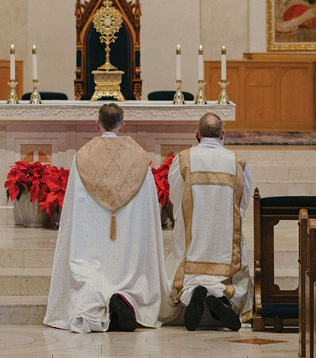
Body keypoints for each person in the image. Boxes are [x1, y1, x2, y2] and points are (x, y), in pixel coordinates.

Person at [44, 103, 175, 333]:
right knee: (129, 272)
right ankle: (125, 298)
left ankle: (96, 298)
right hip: (128, 242)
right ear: (122, 125)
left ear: (97, 124)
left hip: (92, 238)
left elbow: (74, 204)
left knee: (90, 273)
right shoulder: (138, 156)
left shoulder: (82, 156)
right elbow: (147, 207)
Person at [165, 113, 253, 331]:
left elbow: (174, 196)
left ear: (197, 134)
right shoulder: (237, 162)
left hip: (193, 238)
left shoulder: (184, 159)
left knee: (180, 262)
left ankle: (194, 292)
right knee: (233, 274)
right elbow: (244, 201)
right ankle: (221, 299)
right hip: (225, 240)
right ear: (223, 135)